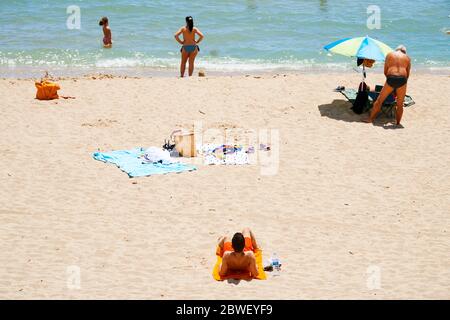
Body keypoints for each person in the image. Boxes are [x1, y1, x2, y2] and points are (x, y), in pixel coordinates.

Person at [364, 45, 411, 125]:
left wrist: (390, 83)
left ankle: (370, 119)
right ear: (404, 52)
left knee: (379, 101)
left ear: (396, 50)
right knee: (400, 105)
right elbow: (407, 75)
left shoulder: (389, 55)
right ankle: (398, 123)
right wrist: (399, 86)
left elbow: (385, 71)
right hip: (403, 79)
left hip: (391, 78)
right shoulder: (407, 58)